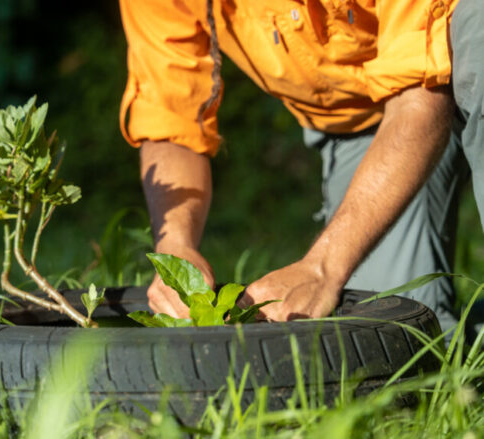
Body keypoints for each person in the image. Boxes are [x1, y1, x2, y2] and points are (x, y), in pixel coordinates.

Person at [118, 0, 484, 334]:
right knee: (393, 332)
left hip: (443, 65)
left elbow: (420, 100)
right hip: (368, 118)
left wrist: (324, 266)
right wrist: (176, 247)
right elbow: (170, 113)